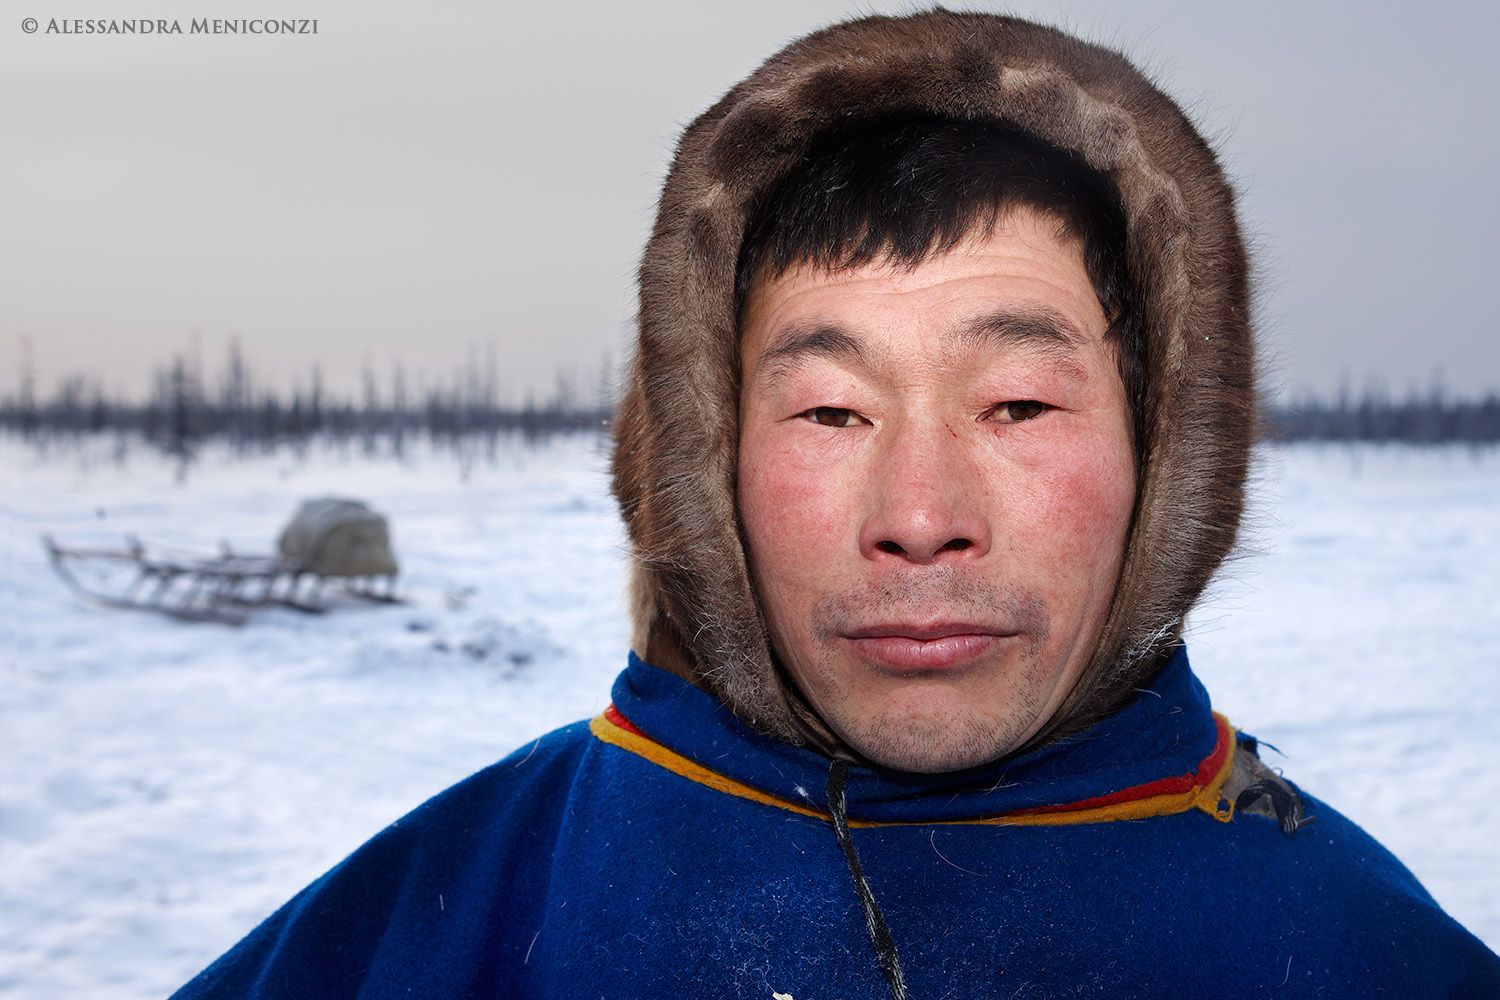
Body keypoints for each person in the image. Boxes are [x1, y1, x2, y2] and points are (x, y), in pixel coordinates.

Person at [173, 10, 1500, 998]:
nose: (919, 513)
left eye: (1019, 406)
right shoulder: (459, 910)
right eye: (828, 413)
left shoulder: (1352, 948)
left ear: (1169, 456)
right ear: (702, 465)